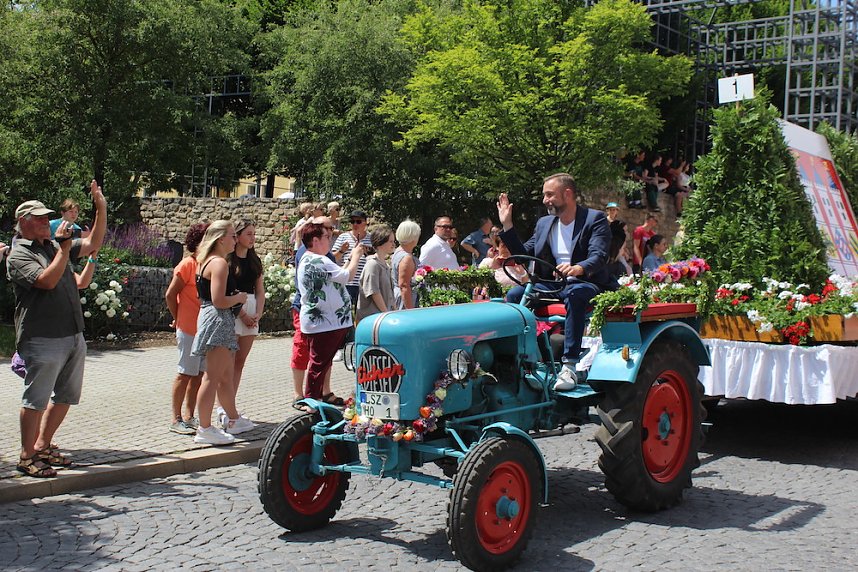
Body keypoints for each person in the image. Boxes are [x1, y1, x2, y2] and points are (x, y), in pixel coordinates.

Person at [7, 180, 107, 478]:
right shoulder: (19, 254)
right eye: (39, 218)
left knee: (66, 396)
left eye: (45, 217)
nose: (46, 222)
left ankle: (43, 444)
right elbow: (46, 281)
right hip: (41, 337)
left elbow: (92, 244)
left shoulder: (51, 245)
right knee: (35, 399)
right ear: (24, 223)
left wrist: (100, 207)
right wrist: (63, 249)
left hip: (72, 333)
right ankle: (27, 456)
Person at [496, 173, 616, 391]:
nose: (545, 200)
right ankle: (529, 361)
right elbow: (524, 255)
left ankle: (569, 365)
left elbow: (599, 255)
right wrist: (507, 225)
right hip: (554, 283)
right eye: (544, 195)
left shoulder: (594, 219)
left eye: (549, 195)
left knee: (575, 294)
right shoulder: (544, 223)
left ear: (567, 194)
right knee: (515, 296)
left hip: (586, 283)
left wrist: (579, 268)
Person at [191, 220, 252, 445]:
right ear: (220, 239)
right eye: (232, 236)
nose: (235, 240)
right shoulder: (219, 263)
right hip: (218, 319)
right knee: (212, 376)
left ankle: (233, 419)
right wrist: (238, 298)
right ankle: (205, 427)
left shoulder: (205, 260)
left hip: (212, 317)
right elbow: (219, 300)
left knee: (224, 376)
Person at [297, 222, 364, 411]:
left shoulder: (312, 259)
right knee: (319, 363)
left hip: (332, 322)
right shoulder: (318, 260)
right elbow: (346, 276)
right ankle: (311, 400)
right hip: (326, 323)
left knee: (323, 362)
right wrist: (356, 257)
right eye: (327, 237)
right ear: (316, 240)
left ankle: (316, 398)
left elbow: (336, 276)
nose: (330, 241)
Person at [290, 216, 343, 407]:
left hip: (326, 314)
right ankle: (300, 394)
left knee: (323, 354)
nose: (331, 231)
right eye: (327, 228)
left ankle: (324, 391)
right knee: (303, 351)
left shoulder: (324, 252)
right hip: (307, 309)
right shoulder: (309, 252)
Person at [164, 222, 209, 435]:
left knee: (198, 374)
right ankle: (176, 419)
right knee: (185, 374)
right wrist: (178, 317)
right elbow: (170, 294)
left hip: (204, 329)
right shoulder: (187, 264)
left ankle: (190, 416)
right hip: (189, 327)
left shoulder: (208, 264)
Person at [229, 219, 265, 411]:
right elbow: (228, 290)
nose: (252, 238)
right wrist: (242, 314)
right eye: (248, 234)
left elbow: (260, 290)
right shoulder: (228, 260)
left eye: (254, 234)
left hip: (252, 310)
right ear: (238, 235)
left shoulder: (255, 260)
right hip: (234, 310)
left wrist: (258, 312)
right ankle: (224, 407)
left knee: (240, 362)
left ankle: (231, 402)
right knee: (229, 361)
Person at [356, 226, 397, 323]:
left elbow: (389, 294)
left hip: (383, 317)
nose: (393, 244)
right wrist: (386, 314)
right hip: (372, 319)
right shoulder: (372, 264)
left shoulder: (386, 265)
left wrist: (394, 311)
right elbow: (374, 292)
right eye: (390, 241)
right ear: (380, 242)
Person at [332, 210, 372, 304]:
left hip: (364, 283)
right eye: (352, 221)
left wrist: (368, 254)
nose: (355, 224)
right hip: (347, 282)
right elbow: (333, 259)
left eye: (358, 221)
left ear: (365, 222)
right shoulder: (343, 237)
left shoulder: (372, 239)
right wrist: (341, 251)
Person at [392, 220, 421, 309]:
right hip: (405, 300)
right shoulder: (406, 258)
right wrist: (410, 309)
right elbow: (404, 285)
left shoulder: (397, 251)